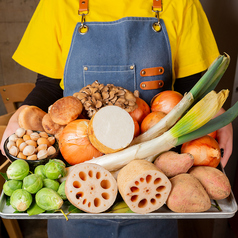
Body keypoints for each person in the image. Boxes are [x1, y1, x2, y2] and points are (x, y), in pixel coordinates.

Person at [0, 0, 233, 237]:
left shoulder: (181, 3)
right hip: (79, 178)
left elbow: (189, 88)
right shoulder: (57, 4)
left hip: (151, 181)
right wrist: (24, 112)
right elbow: (49, 86)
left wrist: (214, 112)